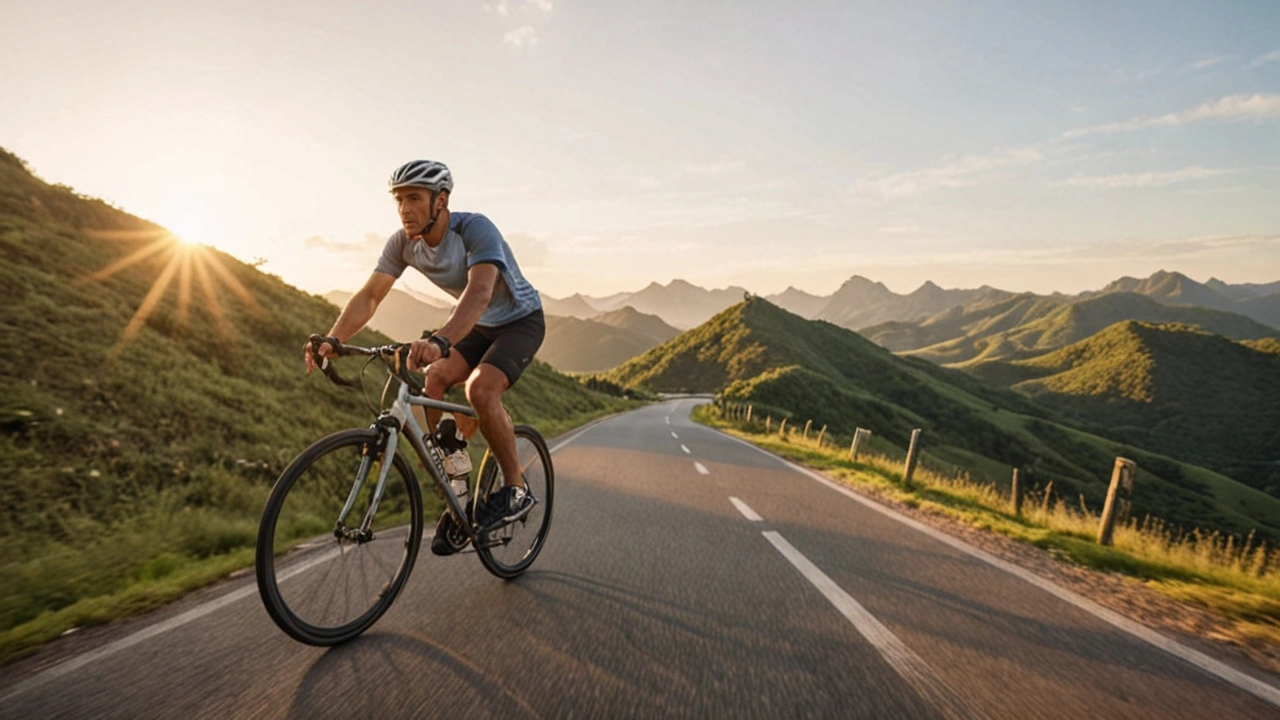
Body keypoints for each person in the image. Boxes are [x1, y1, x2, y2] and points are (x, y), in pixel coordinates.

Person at [304, 159, 545, 556]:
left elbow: (480, 292)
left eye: (414, 198)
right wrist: (334, 338)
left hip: (519, 321)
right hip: (478, 325)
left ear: (441, 201)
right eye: (399, 200)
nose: (405, 209)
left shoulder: (475, 229)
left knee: (481, 390)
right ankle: (459, 482)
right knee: (434, 379)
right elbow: (370, 296)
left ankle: (516, 488)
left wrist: (441, 340)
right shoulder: (402, 242)